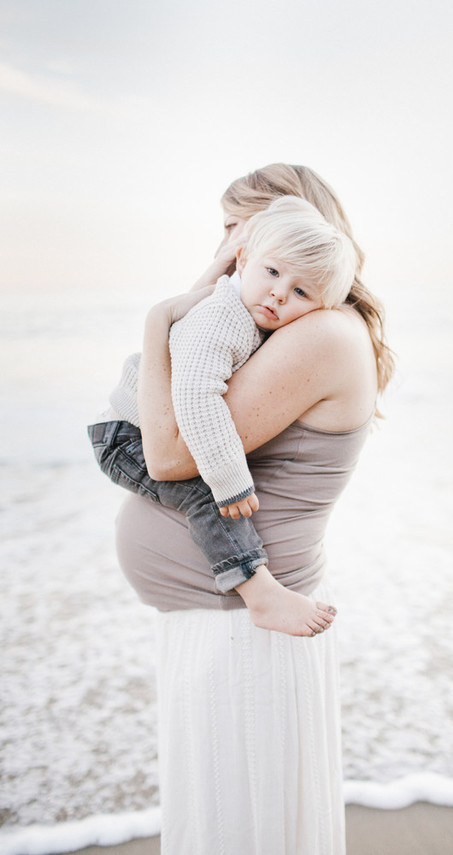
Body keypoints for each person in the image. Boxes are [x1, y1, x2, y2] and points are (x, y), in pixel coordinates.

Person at [112, 164, 394, 854]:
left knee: (241, 829)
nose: (226, 246)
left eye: (236, 228)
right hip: (222, 618)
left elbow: (171, 453)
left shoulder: (319, 332)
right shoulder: (273, 318)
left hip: (243, 630)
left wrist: (162, 318)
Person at [88, 196, 357, 636]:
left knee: (205, 489)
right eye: (272, 272)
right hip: (124, 435)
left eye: (302, 292)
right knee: (205, 495)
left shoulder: (247, 313)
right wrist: (230, 479)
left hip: (132, 429)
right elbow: (196, 396)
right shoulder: (223, 317)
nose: (279, 293)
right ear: (244, 259)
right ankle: (258, 592)